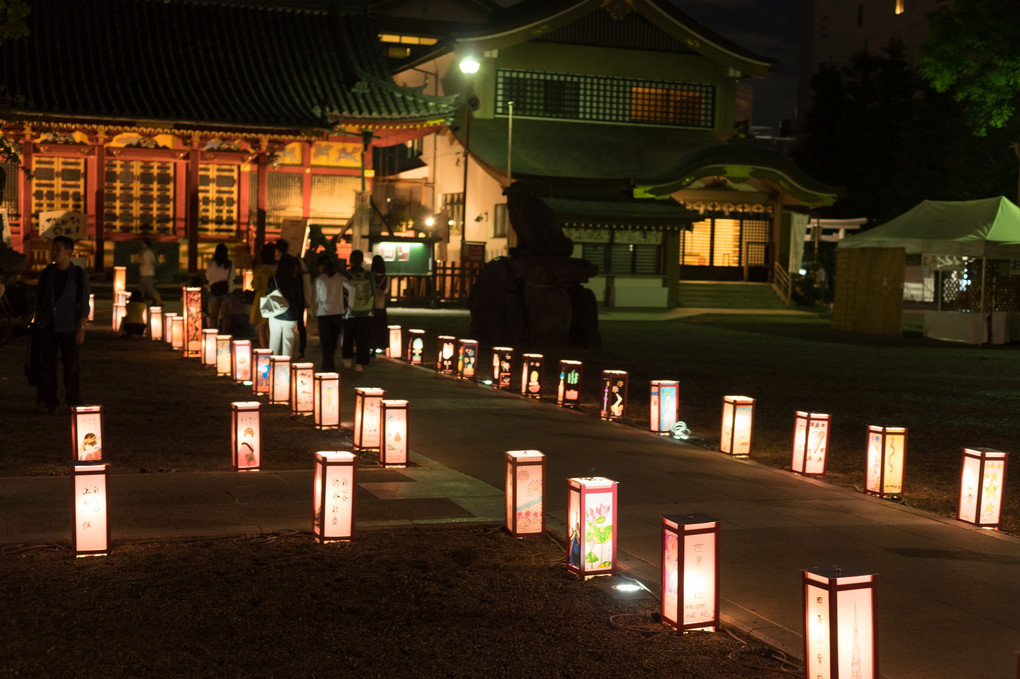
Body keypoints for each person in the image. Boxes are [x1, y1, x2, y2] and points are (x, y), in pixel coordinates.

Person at [34, 236, 91, 414]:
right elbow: (40, 299)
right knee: (47, 364)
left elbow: (83, 302)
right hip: (48, 324)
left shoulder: (78, 275)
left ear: (69, 252)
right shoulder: (47, 273)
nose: (55, 253)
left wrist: (81, 327)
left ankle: (73, 400)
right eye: (53, 249)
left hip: (69, 325)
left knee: (71, 365)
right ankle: (51, 400)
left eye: (58, 249)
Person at [276, 239, 312, 359]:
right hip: (297, 302)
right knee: (299, 327)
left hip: (297, 303)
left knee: (300, 327)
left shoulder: (291, 269)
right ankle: (298, 350)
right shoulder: (295, 272)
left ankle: (301, 350)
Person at [264, 253, 305, 357]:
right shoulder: (295, 280)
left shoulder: (273, 279)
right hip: (290, 316)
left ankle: (272, 368)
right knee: (288, 345)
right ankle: (285, 369)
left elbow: (268, 295)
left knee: (273, 343)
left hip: (275, 314)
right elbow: (299, 299)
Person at [340, 249, 374, 371]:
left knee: (348, 336)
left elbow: (342, 293)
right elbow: (373, 293)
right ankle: (360, 363)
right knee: (362, 338)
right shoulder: (368, 275)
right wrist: (372, 308)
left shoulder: (346, 275)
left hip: (350, 311)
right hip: (365, 311)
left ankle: (347, 358)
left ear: (351, 261)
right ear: (362, 261)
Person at [314, 254, 346, 372]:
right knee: (333, 341)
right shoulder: (339, 278)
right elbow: (352, 288)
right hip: (337, 313)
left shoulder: (320, 279)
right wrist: (350, 305)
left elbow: (315, 298)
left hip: (323, 314)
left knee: (325, 341)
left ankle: (327, 364)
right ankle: (329, 363)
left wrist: (313, 309)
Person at [248, 242, 278, 349]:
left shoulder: (260, 269)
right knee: (271, 328)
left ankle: (264, 350)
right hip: (274, 298)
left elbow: (255, 285)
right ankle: (272, 349)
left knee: (261, 327)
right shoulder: (276, 268)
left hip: (262, 298)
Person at [205, 243, 234, 333]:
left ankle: (213, 335)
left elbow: (207, 277)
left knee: (214, 316)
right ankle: (224, 335)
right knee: (225, 317)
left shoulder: (211, 264)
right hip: (226, 291)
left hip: (213, 291)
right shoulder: (229, 264)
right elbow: (233, 277)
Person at [369, 254, 390, 354]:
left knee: (370, 327)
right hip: (381, 306)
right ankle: (377, 348)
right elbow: (386, 291)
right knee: (380, 328)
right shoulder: (386, 278)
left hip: (370, 305)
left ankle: (370, 345)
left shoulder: (370, 276)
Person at [137, 238, 162, 305]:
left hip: (147, 273)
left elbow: (142, 261)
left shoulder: (147, 253)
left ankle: (159, 302)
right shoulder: (146, 252)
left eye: (143, 243)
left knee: (150, 289)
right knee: (141, 289)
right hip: (144, 273)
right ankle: (140, 302)